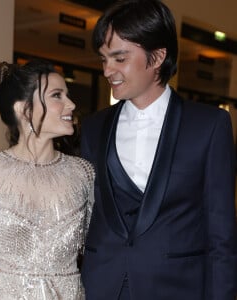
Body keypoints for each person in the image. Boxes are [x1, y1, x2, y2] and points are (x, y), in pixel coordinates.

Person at [80, 0, 237, 299]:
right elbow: (84, 214)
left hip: (178, 288)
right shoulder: (93, 127)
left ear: (157, 58)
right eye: (104, 59)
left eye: (119, 58)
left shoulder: (209, 125)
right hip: (102, 286)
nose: (107, 70)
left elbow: (221, 236)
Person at [0, 59, 94, 299]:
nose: (70, 104)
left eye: (67, 95)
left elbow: (98, 249)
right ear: (24, 110)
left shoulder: (84, 173)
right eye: (57, 95)